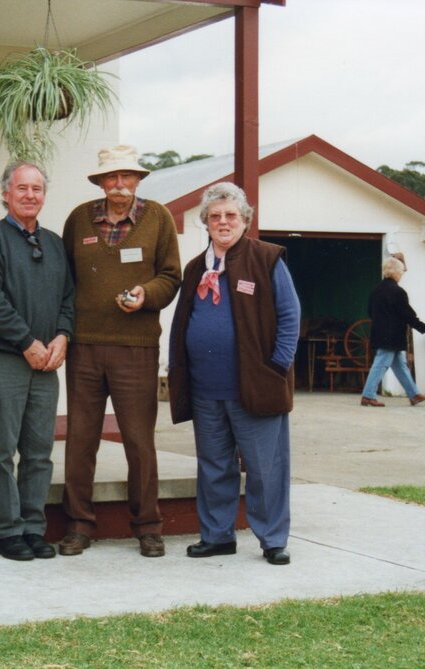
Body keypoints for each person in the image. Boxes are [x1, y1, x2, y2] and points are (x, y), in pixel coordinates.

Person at [167, 182, 300, 566]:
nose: (223, 222)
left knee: (265, 468)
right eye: (215, 216)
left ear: (245, 220)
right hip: (206, 388)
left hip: (256, 386)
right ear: (205, 223)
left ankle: (273, 539)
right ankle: (217, 536)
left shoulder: (267, 258)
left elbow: (290, 317)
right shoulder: (195, 268)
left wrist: (277, 367)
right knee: (213, 465)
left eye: (231, 215)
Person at [59, 145, 181, 558]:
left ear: (138, 179)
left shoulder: (159, 217)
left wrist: (146, 294)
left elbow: (171, 276)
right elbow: (65, 280)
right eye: (111, 177)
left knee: (139, 442)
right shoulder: (79, 219)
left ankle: (148, 526)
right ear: (99, 182)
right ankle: (77, 526)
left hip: (136, 348)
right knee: (80, 440)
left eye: (127, 176)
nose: (120, 184)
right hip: (85, 347)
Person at [0, 161, 75, 561]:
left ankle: (34, 526)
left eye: (37, 189)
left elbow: (69, 297)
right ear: (5, 193)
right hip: (5, 359)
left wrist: (63, 336)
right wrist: (26, 341)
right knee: (1, 449)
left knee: (38, 450)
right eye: (21, 188)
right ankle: (8, 530)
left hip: (47, 360)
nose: (30, 195)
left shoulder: (53, 242)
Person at [360, 256, 425, 407]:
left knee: (400, 365)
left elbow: (370, 312)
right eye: (401, 271)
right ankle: (368, 395)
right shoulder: (398, 292)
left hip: (380, 334)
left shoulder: (376, 290)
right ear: (395, 272)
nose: (401, 274)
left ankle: (414, 394)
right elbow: (408, 315)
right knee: (381, 364)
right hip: (393, 336)